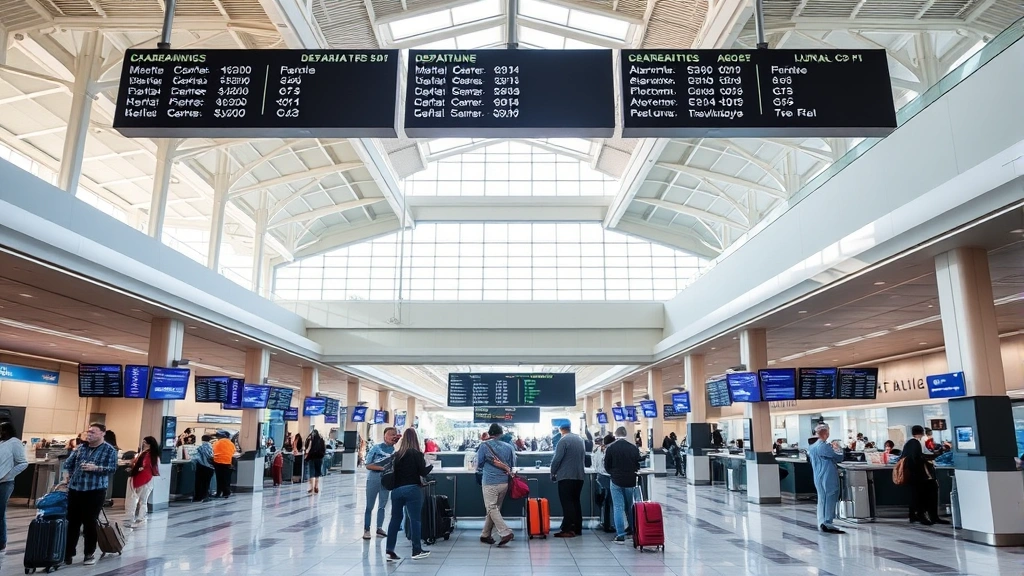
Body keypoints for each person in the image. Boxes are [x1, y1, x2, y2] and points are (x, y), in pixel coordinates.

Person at [62, 423, 118, 566]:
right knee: (72, 522)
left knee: (90, 522)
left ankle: (89, 553)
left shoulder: (109, 450)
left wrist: (96, 468)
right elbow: (68, 463)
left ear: (102, 433)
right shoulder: (81, 448)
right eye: (88, 431)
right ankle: (68, 553)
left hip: (95, 491)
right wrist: (67, 475)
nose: (89, 434)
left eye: (93, 432)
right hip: (76, 489)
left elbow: (112, 469)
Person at [384, 428, 432, 562]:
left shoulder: (397, 454)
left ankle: (390, 550)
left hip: (396, 491)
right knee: (415, 519)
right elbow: (423, 472)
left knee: (395, 520)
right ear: (415, 439)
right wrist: (429, 463)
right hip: (412, 489)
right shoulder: (416, 454)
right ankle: (416, 550)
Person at [476, 424, 516, 547]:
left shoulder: (484, 446)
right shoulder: (509, 447)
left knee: (491, 508)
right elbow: (513, 463)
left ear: (489, 433)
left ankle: (505, 532)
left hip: (490, 482)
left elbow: (480, 464)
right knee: (494, 509)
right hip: (504, 482)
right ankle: (485, 535)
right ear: (501, 433)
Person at [900, 425, 948, 525]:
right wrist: (933, 457)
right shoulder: (916, 443)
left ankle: (915, 516)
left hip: (913, 475)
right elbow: (918, 458)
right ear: (922, 432)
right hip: (921, 475)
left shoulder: (908, 443)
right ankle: (928, 516)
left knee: (916, 496)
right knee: (928, 494)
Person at [603, 426, 641, 544]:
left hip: (616, 480)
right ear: (626, 434)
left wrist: (613, 473)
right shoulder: (633, 448)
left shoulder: (611, 448)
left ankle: (620, 535)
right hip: (630, 480)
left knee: (618, 507)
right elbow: (637, 465)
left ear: (616, 434)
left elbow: (606, 466)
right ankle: (633, 531)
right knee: (630, 507)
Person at [807, 424, 845, 534]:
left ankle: (822, 521)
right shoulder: (823, 446)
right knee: (830, 496)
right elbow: (838, 457)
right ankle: (827, 522)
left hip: (818, 475)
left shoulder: (812, 447)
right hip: (828, 475)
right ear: (825, 433)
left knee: (822, 498)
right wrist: (838, 449)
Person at [550, 423, 586, 538]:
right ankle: (577, 528)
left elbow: (557, 459)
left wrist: (553, 472)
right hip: (579, 476)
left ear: (561, 430)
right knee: (576, 502)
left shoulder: (563, 440)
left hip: (566, 476)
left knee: (567, 503)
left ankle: (568, 529)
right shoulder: (580, 439)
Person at [364, 427, 398, 539]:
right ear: (385, 436)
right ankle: (366, 529)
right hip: (373, 479)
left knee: (382, 506)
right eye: (390, 434)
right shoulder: (376, 448)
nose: (393, 436)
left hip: (387, 481)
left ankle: (379, 528)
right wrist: (382, 468)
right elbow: (368, 465)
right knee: (370, 505)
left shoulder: (394, 451)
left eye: (395, 434)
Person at [0, 422, 28, 552]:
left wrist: (7, 475)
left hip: (5, 483)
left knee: (0, 513)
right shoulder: (2, 443)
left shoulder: (14, 442)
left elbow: (23, 463)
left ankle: (1, 542)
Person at [126, 436, 160, 527]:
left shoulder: (145, 454)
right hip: (149, 478)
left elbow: (143, 465)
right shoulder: (154, 454)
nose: (143, 444)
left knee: (136, 498)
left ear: (147, 443)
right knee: (144, 500)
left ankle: (134, 517)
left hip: (142, 477)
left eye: (144, 442)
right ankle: (142, 517)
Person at [192, 435, 215, 502]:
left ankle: (197, 497)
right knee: (206, 483)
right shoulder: (210, 447)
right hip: (208, 467)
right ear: (210, 440)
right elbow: (211, 456)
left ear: (202, 439)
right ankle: (204, 496)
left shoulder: (199, 447)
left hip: (200, 467)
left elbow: (195, 457)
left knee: (198, 482)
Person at [212, 431, 235, 499]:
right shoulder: (231, 443)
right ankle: (226, 493)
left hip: (217, 462)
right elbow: (233, 451)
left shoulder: (216, 443)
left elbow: (213, 451)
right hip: (227, 462)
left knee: (219, 478)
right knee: (226, 478)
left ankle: (218, 493)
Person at [305, 429, 326, 494]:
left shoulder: (310, 440)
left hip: (312, 457)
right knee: (317, 473)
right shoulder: (321, 440)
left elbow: (307, 448)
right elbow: (324, 449)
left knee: (312, 473)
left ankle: (311, 487)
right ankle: (316, 486)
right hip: (319, 458)